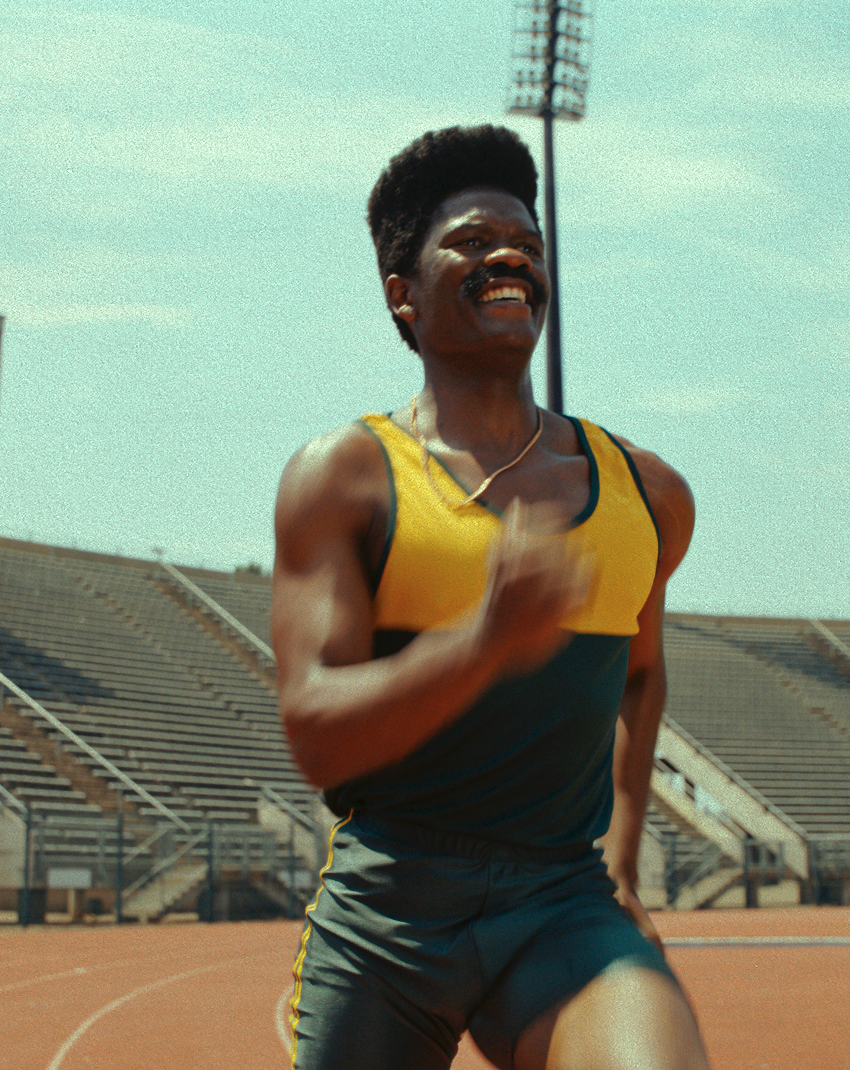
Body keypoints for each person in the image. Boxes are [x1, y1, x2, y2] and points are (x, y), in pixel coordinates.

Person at [270, 124, 707, 1070]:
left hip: (560, 901)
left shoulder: (647, 495)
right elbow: (315, 731)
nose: (511, 256)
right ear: (403, 295)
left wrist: (624, 860)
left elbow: (639, 679)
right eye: (472, 242)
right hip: (390, 907)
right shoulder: (344, 476)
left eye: (527, 245)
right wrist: (484, 641)